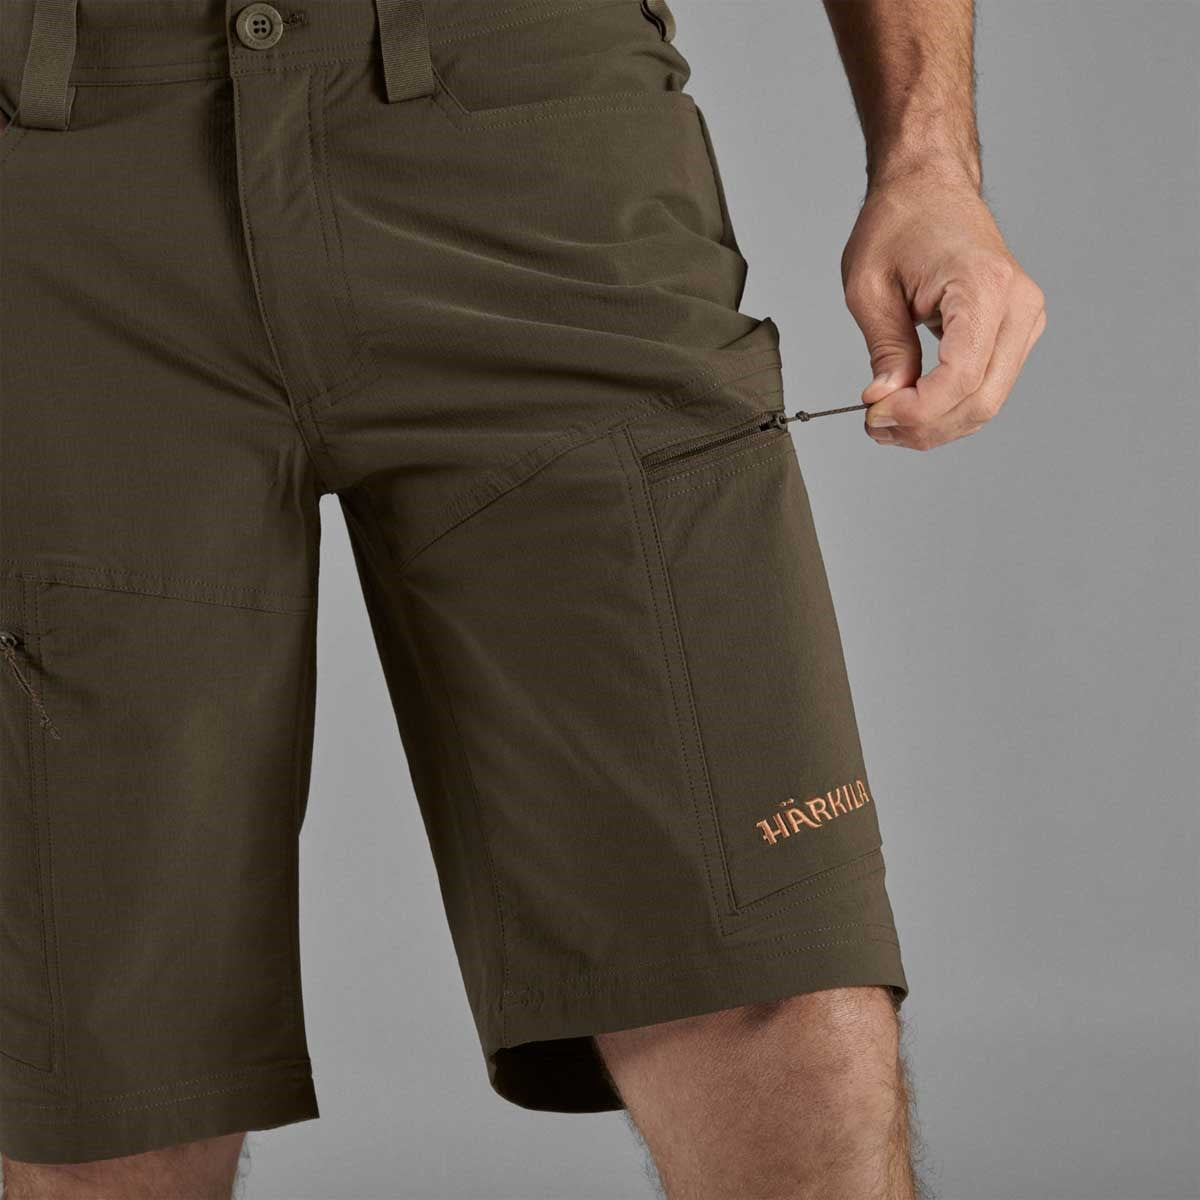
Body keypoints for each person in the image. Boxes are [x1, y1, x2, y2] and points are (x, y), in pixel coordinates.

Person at [0, 0, 1043, 1196]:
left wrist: (926, 162)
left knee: (782, 1012)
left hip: (529, 126)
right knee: (108, 1110)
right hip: (60, 161)